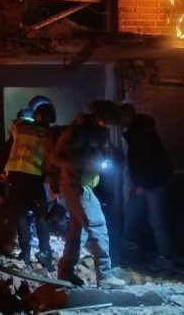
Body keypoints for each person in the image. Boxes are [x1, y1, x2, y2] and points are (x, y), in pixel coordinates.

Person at [50, 100, 126, 289]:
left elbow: (102, 154)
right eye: (107, 121)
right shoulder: (76, 132)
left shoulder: (98, 132)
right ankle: (105, 276)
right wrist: (83, 163)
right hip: (75, 185)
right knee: (97, 226)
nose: (108, 125)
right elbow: (55, 157)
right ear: (99, 117)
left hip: (83, 185)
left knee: (77, 232)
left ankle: (65, 272)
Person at [118, 103, 174, 270]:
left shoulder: (141, 134)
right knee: (139, 215)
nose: (119, 123)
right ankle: (134, 250)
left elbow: (151, 160)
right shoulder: (140, 131)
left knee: (156, 220)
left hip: (152, 183)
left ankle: (165, 259)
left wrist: (142, 183)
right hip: (148, 182)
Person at [2, 103, 57, 270]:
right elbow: (49, 157)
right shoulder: (48, 133)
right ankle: (45, 252)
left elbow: (13, 128)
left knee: (21, 215)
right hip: (34, 176)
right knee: (41, 215)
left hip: (14, 174)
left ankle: (25, 252)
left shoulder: (20, 126)